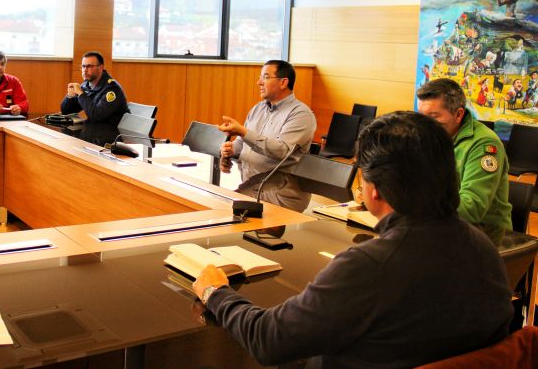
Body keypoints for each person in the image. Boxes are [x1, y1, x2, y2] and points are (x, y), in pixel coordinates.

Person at [194, 112, 512, 368]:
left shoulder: (370, 266)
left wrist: (216, 292)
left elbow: (268, 341)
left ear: (373, 190)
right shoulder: (483, 248)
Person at [417, 78, 511, 243]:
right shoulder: (434, 136)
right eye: (421, 117)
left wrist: (416, 207)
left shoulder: (484, 144)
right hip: (441, 222)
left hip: (483, 232)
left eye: (433, 117)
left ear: (458, 114)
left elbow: (472, 208)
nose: (424, 125)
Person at [218, 60, 316, 212]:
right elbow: (242, 143)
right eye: (260, 77)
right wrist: (230, 151)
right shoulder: (258, 108)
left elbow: (281, 151)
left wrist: (243, 132)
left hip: (280, 193)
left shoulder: (301, 114)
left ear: (283, 82)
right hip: (251, 186)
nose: (259, 82)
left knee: (221, 209)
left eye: (265, 77)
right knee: (210, 201)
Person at [60, 51, 129, 125]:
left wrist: (81, 93)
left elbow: (97, 116)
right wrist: (70, 97)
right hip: (96, 128)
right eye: (83, 66)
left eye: (89, 66)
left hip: (114, 129)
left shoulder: (112, 89)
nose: (85, 70)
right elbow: (66, 111)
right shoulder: (86, 85)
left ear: (100, 68)